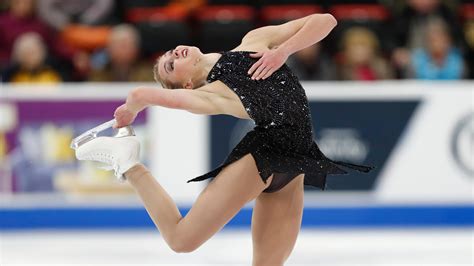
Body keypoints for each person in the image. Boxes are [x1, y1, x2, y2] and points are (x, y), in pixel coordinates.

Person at [75, 13, 374, 265]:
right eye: (169, 65)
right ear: (186, 85)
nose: (173, 54)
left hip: (297, 159)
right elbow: (140, 94)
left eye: (170, 52)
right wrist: (129, 111)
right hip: (265, 155)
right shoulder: (209, 95)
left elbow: (326, 21)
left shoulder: (255, 41)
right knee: (182, 240)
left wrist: (284, 50)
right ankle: (129, 164)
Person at [88, 24, 154, 82]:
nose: (122, 49)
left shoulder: (148, 73)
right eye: (117, 45)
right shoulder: (99, 73)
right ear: (109, 48)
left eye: (126, 45)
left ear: (136, 48)